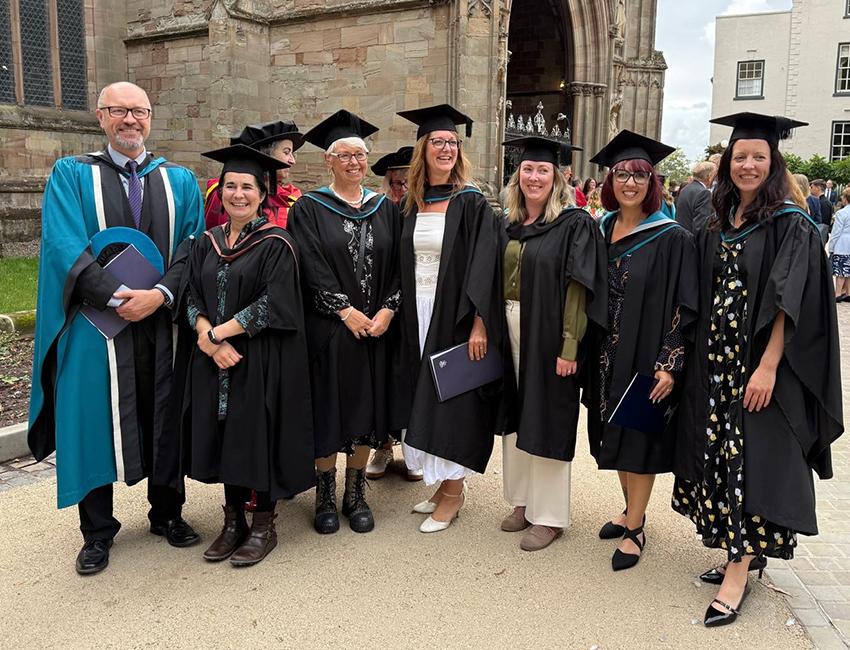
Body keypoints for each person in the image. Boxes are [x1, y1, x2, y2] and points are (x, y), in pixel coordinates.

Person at [672, 112, 843, 627]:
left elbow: (789, 302)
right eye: (740, 156)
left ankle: (738, 572)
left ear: (773, 164)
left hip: (755, 369)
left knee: (748, 463)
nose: (748, 165)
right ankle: (737, 551)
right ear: (728, 162)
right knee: (722, 458)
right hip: (714, 367)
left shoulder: (791, 223)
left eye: (758, 157)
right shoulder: (718, 221)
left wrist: (768, 367)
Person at [27, 82, 204, 575]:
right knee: (94, 417)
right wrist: (115, 296)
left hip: (161, 320)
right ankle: (97, 531)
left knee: (164, 413)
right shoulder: (71, 174)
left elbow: (192, 245)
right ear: (101, 117)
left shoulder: (181, 180)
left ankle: (168, 513)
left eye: (139, 111)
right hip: (94, 320)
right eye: (120, 111)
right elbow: (64, 243)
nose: (131, 120)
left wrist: (160, 295)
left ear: (151, 118)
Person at [181, 145, 315, 566]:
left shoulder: (277, 243)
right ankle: (233, 521)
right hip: (217, 359)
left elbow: (274, 302)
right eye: (231, 186)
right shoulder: (207, 242)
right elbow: (190, 295)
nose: (238, 194)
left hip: (260, 359)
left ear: (262, 194)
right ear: (221, 193)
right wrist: (206, 336)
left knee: (259, 434)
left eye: (248, 187)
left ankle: (264, 525)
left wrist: (218, 335)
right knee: (226, 434)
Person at [584, 130, 698, 571]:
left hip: (647, 352)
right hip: (605, 352)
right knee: (614, 434)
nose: (630, 182)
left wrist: (669, 363)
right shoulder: (602, 228)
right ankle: (632, 508)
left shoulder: (672, 236)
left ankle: (635, 529)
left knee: (640, 438)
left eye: (639, 175)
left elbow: (684, 303)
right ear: (609, 181)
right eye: (621, 174)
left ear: (653, 183)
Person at [287, 110, 403, 535]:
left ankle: (356, 494)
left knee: (364, 409)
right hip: (331, 330)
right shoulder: (309, 208)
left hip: (377, 330)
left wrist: (388, 309)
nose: (354, 162)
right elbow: (310, 265)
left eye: (360, 155)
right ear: (329, 161)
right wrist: (345, 311)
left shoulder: (386, 208)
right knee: (328, 411)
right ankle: (323, 495)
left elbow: (399, 267)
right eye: (345, 155)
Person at [395, 104, 504, 533]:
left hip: (454, 313)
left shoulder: (471, 202)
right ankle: (440, 484)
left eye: (452, 143)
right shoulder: (411, 202)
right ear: (423, 149)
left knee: (453, 396)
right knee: (424, 393)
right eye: (437, 142)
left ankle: (454, 492)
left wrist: (480, 321)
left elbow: (485, 265)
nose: (445, 149)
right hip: (415, 311)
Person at [499, 136, 607, 551]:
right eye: (528, 169)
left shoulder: (575, 223)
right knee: (517, 415)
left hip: (551, 332)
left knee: (548, 416)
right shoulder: (510, 223)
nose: (534, 177)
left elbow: (579, 288)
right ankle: (523, 502)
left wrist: (569, 346)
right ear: (518, 175)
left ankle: (550, 516)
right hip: (510, 325)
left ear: (558, 177)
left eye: (543, 170)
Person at [366, 144, 422, 481]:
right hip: (383, 307)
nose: (401, 188)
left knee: (413, 378)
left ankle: (415, 448)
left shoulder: (427, 210)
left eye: (406, 182)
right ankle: (383, 445)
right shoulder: (379, 212)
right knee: (383, 377)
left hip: (418, 307)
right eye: (395, 182)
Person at [204, 120, 304, 230]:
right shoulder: (225, 194)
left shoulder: (290, 198)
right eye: (286, 152)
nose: (292, 161)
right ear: (266, 154)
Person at [676, 161, 715, 233]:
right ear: (709, 177)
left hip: (683, 237)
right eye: (715, 176)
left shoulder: (685, 189)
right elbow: (701, 226)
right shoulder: (704, 193)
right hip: (694, 241)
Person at [829, 189, 850, 301]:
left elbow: (836, 232)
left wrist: (831, 247)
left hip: (842, 244)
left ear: (845, 199)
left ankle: (837, 294)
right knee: (848, 271)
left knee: (840, 272)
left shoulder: (841, 213)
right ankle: (848, 293)